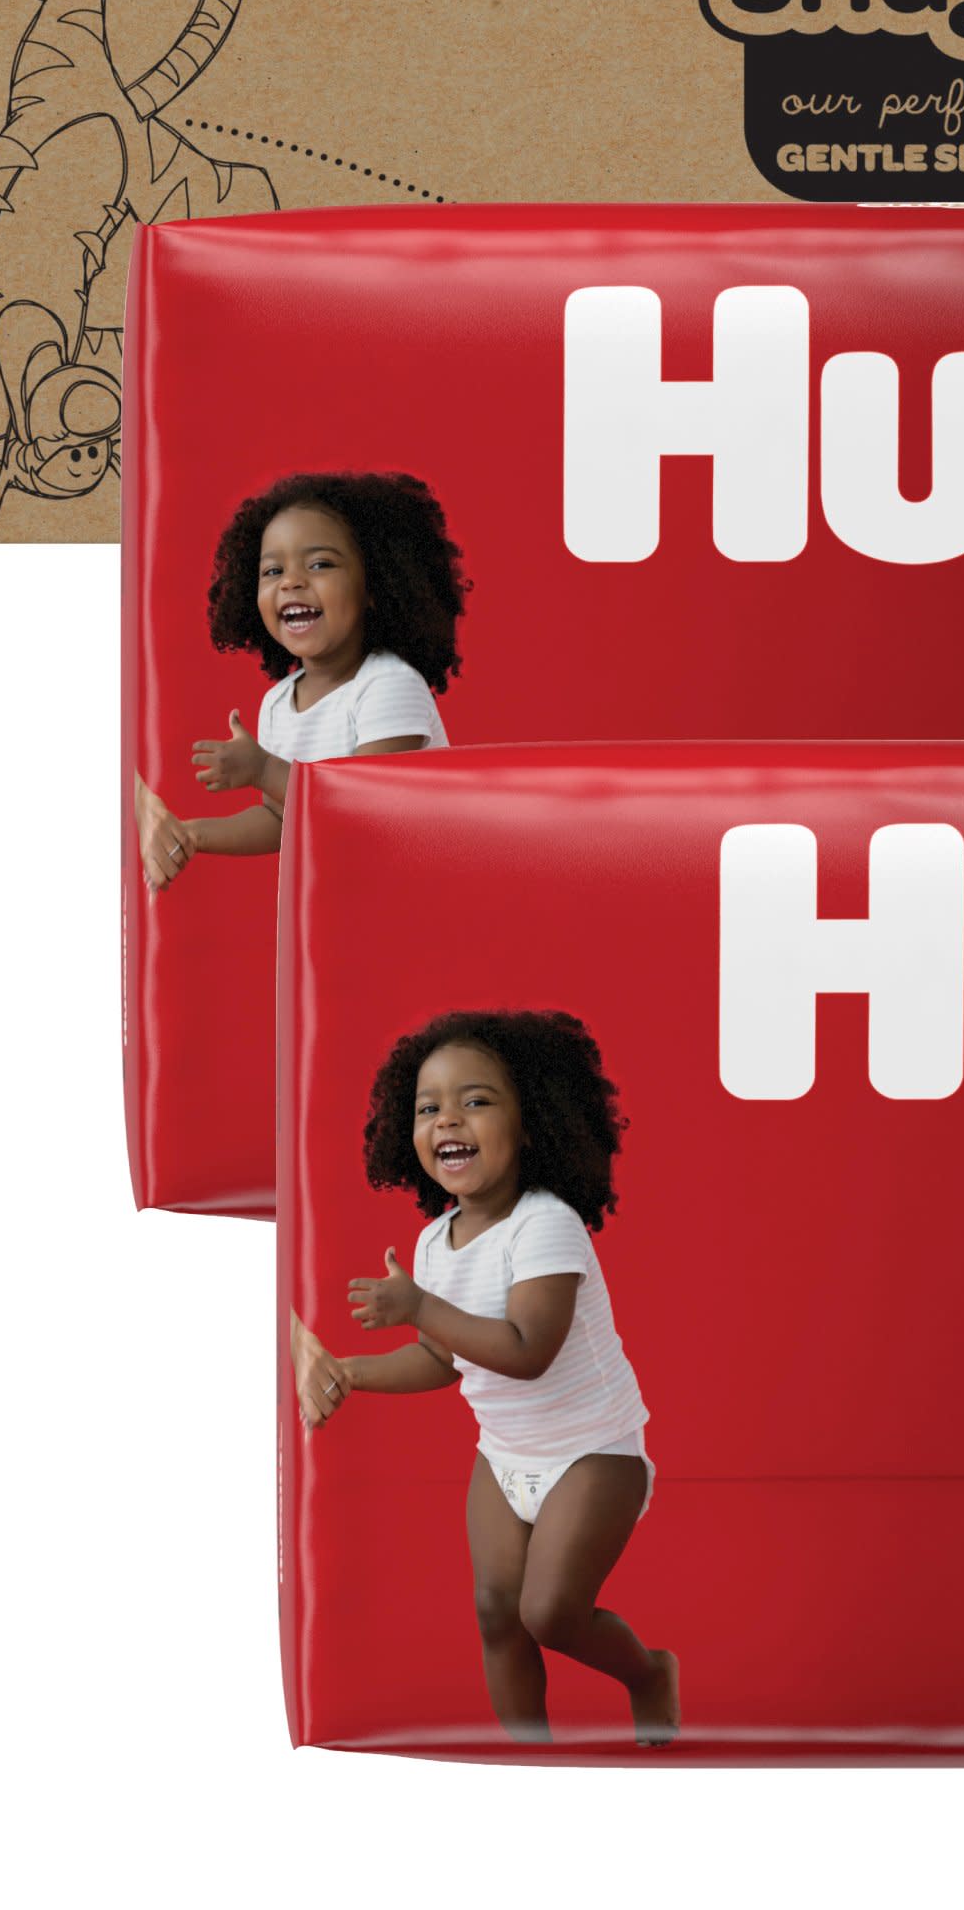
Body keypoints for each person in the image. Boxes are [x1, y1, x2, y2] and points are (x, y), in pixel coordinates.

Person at [290, 1011, 678, 1746]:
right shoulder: (433, 1243)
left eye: (475, 1101)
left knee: (550, 1613)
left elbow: (528, 1350)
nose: (448, 1119)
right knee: (498, 1614)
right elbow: (443, 1358)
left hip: (593, 1452)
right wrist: (351, 1373)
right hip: (503, 1456)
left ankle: (649, 1672)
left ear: (529, 1123)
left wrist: (419, 1306)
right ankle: (529, 1759)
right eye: (428, 1107)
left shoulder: (545, 1225)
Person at [139, 470, 465, 888]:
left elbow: (360, 808)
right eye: (273, 571)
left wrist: (263, 769)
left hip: (417, 892)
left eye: (320, 564)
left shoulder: (389, 685)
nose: (291, 581)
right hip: (343, 900)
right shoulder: (277, 704)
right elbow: (281, 818)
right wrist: (194, 834)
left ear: (374, 586)